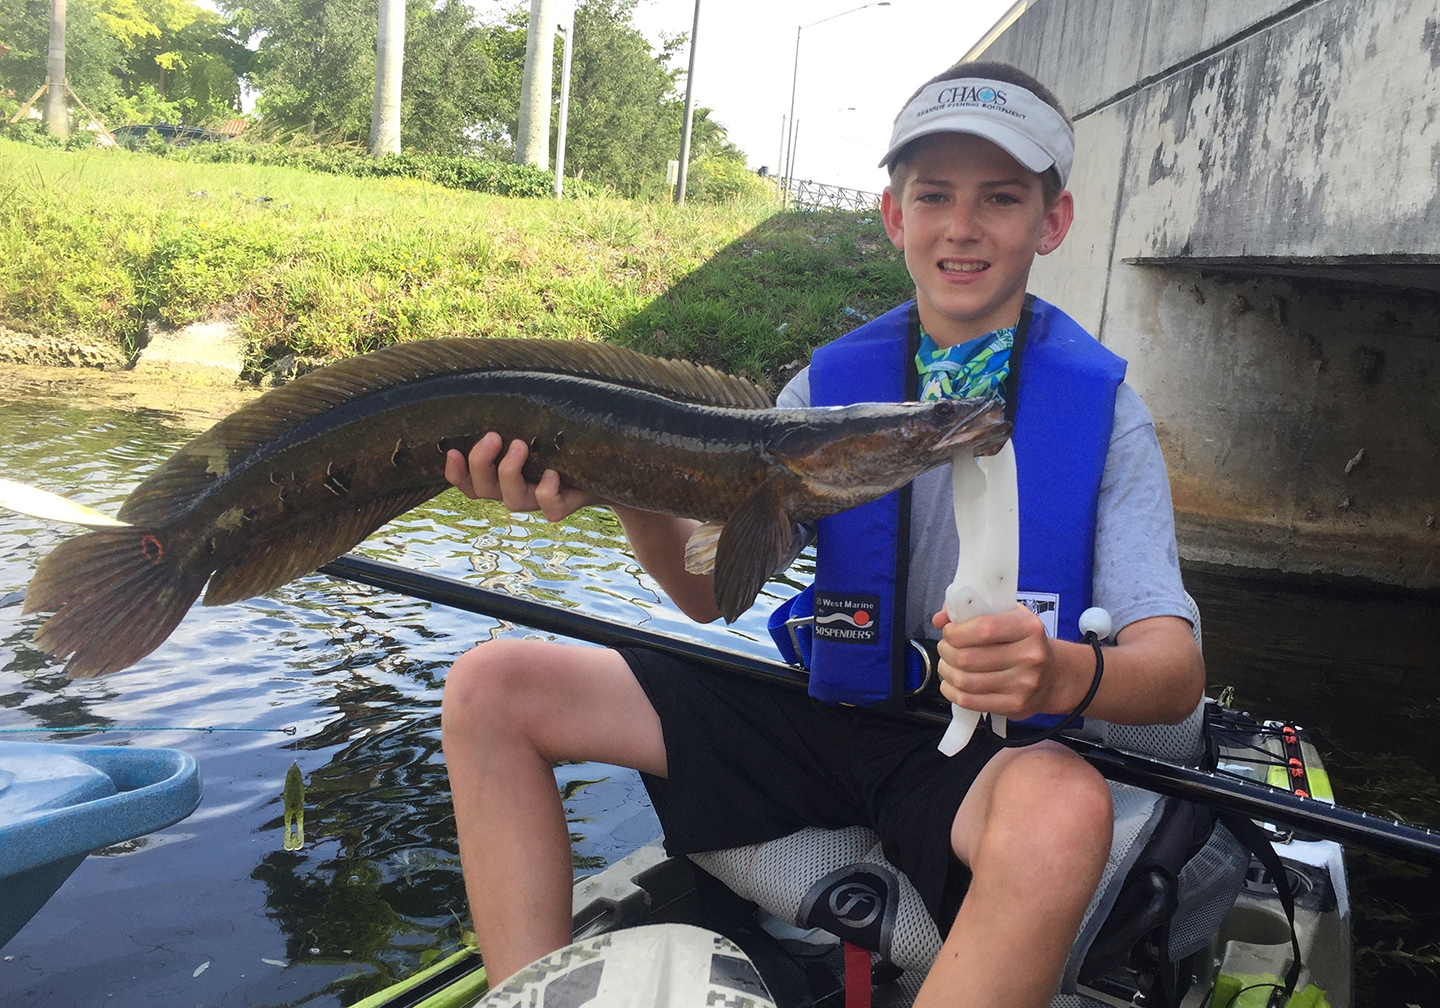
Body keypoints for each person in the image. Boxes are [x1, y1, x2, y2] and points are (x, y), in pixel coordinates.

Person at [440, 60, 1204, 1007]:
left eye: (1000, 197)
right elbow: (705, 592)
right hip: (818, 712)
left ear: (1052, 221)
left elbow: (1173, 672)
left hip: (974, 757)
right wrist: (619, 481)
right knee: (492, 686)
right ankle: (530, 994)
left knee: (1063, 805)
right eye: (934, 196)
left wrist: (1062, 674)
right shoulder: (824, 390)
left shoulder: (1108, 415)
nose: (962, 226)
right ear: (894, 215)